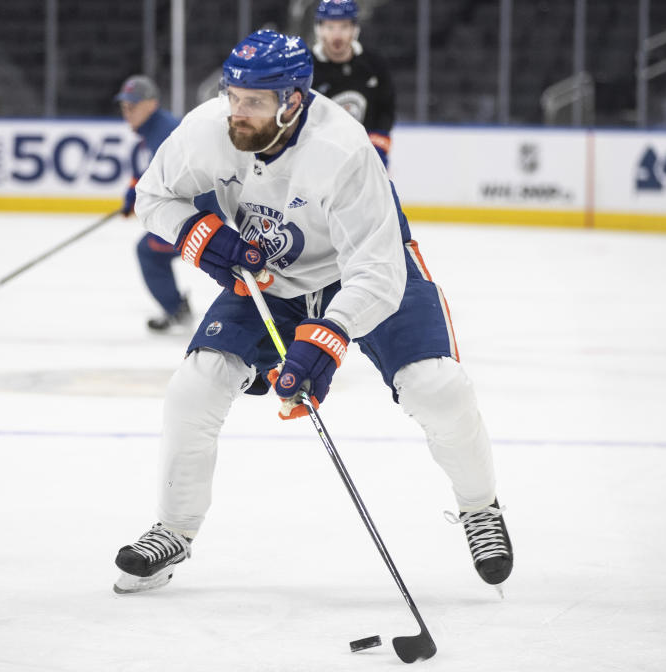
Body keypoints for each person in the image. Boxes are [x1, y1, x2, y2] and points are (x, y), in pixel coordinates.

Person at [113, 30, 513, 595]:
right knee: (194, 387)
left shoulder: (343, 150)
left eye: (254, 101)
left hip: (368, 271)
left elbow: (375, 273)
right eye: (233, 96)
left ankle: (480, 509)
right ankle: (175, 528)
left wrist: (327, 338)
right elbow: (154, 196)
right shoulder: (209, 129)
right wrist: (205, 237)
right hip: (273, 277)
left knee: (435, 386)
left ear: (294, 100)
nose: (238, 112)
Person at [115, 74, 223, 332]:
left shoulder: (164, 132)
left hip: (201, 212)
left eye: (133, 106)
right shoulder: (152, 131)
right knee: (150, 252)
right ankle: (176, 308)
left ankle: (177, 310)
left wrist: (197, 219)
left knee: (148, 251)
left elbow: (192, 176)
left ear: (151, 104)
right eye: (124, 107)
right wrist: (135, 194)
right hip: (195, 211)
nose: (127, 113)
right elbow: (150, 172)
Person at [311, 0, 395, 167]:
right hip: (319, 157)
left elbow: (386, 110)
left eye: (344, 26)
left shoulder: (374, 64)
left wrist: (377, 148)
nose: (337, 35)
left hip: (364, 153)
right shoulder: (306, 66)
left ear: (355, 29)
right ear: (319, 29)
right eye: (330, 27)